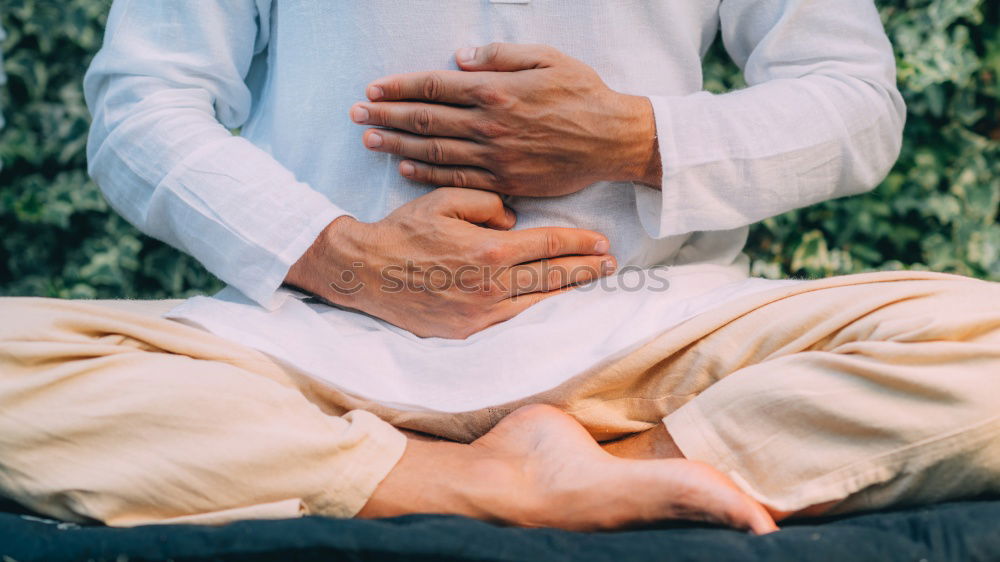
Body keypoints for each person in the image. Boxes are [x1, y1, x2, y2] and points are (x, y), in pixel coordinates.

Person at [0, 0, 997, 534]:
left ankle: (617, 466)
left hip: (649, 329)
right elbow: (140, 109)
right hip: (319, 345)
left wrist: (633, 139)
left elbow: (856, 102)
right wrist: (348, 261)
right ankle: (486, 479)